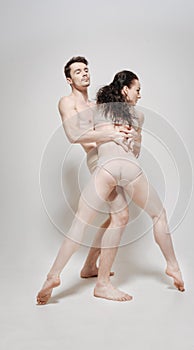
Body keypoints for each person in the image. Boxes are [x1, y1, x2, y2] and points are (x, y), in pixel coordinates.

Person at [37, 70, 184, 304]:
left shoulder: (96, 110)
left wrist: (106, 133)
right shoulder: (137, 116)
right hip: (128, 169)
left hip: (103, 169)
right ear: (126, 90)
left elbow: (80, 134)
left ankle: (54, 276)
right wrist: (123, 136)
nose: (140, 95)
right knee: (158, 215)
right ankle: (172, 267)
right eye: (137, 90)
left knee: (83, 224)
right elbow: (134, 150)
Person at [36, 58, 140, 304]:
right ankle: (94, 282)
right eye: (78, 72)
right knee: (112, 217)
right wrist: (110, 133)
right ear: (69, 79)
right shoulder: (67, 102)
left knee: (117, 215)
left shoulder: (96, 104)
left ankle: (90, 267)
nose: (84, 74)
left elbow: (116, 127)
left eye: (86, 70)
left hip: (109, 157)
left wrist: (128, 132)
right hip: (98, 160)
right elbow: (74, 135)